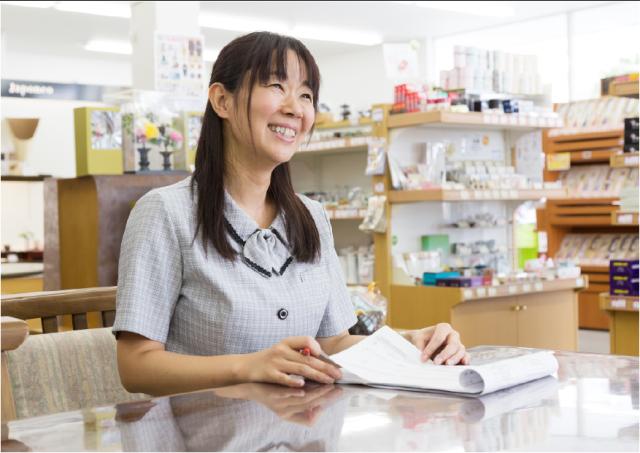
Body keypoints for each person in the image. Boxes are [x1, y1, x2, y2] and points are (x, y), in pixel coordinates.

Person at [113, 31, 469, 397]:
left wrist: (410, 342)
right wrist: (246, 367)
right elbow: (136, 365)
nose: (296, 108)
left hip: (305, 431)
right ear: (222, 100)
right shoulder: (164, 214)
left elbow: (333, 344)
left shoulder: (312, 217)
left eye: (306, 95)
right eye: (276, 86)